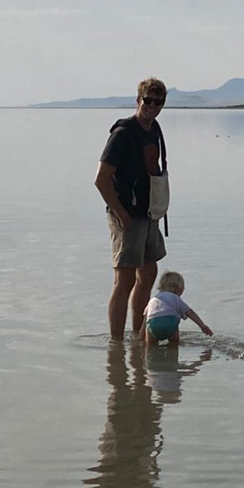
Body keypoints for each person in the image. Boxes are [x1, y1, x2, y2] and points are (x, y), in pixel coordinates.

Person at [95, 77, 169, 339]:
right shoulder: (123, 133)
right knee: (124, 280)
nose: (152, 106)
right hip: (125, 215)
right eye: (147, 100)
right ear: (138, 100)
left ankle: (138, 336)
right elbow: (101, 179)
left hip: (149, 215)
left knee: (148, 273)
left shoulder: (154, 129)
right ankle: (116, 344)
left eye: (158, 102)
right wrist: (122, 215)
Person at [142, 271, 213, 345]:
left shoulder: (153, 299)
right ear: (178, 289)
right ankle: (173, 350)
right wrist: (202, 326)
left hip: (153, 324)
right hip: (170, 323)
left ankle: (148, 351)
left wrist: (141, 336)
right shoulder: (176, 298)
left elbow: (145, 320)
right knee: (174, 341)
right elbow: (190, 312)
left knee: (150, 345)